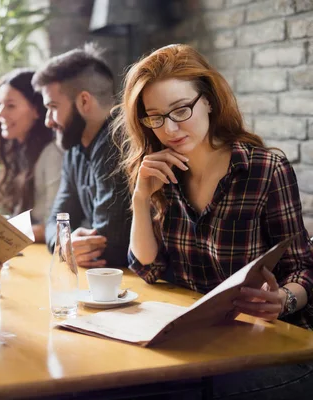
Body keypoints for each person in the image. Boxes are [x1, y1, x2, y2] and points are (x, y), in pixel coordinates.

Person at [116, 43, 313, 398]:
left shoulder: (264, 169)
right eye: (156, 117)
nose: (170, 128)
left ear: (208, 100)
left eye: (181, 110)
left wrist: (283, 298)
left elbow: (304, 266)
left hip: (275, 344)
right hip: (202, 339)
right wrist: (140, 197)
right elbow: (148, 268)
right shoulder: (161, 173)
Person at [32, 43, 131, 267]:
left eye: (53, 107)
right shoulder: (75, 148)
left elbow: (107, 247)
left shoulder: (116, 143)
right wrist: (65, 243)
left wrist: (65, 244)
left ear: (84, 101)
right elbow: (56, 222)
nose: (48, 120)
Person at [0, 68, 63, 242]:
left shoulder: (52, 155)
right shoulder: (16, 153)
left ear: (36, 110)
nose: (0, 114)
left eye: (11, 106)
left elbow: (56, 226)